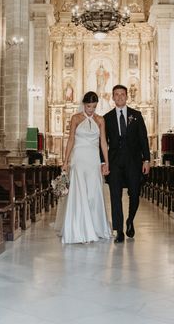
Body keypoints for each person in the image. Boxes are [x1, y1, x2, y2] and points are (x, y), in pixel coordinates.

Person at [58, 91, 112, 244]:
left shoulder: (100, 120)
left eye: (94, 107)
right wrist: (65, 161)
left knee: (93, 193)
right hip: (79, 159)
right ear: (83, 104)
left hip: (93, 160)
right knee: (80, 192)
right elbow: (70, 141)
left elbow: (103, 143)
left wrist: (106, 162)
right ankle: (79, 229)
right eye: (89, 106)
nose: (91, 110)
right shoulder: (75, 118)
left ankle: (95, 227)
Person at [104, 84, 151, 243]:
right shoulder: (107, 117)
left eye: (122, 94)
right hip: (115, 162)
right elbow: (102, 143)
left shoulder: (136, 115)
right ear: (113, 97)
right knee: (115, 195)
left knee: (135, 193)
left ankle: (130, 220)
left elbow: (143, 139)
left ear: (126, 96)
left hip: (134, 161)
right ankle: (119, 231)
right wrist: (104, 162)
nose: (119, 97)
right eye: (116, 95)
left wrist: (147, 160)